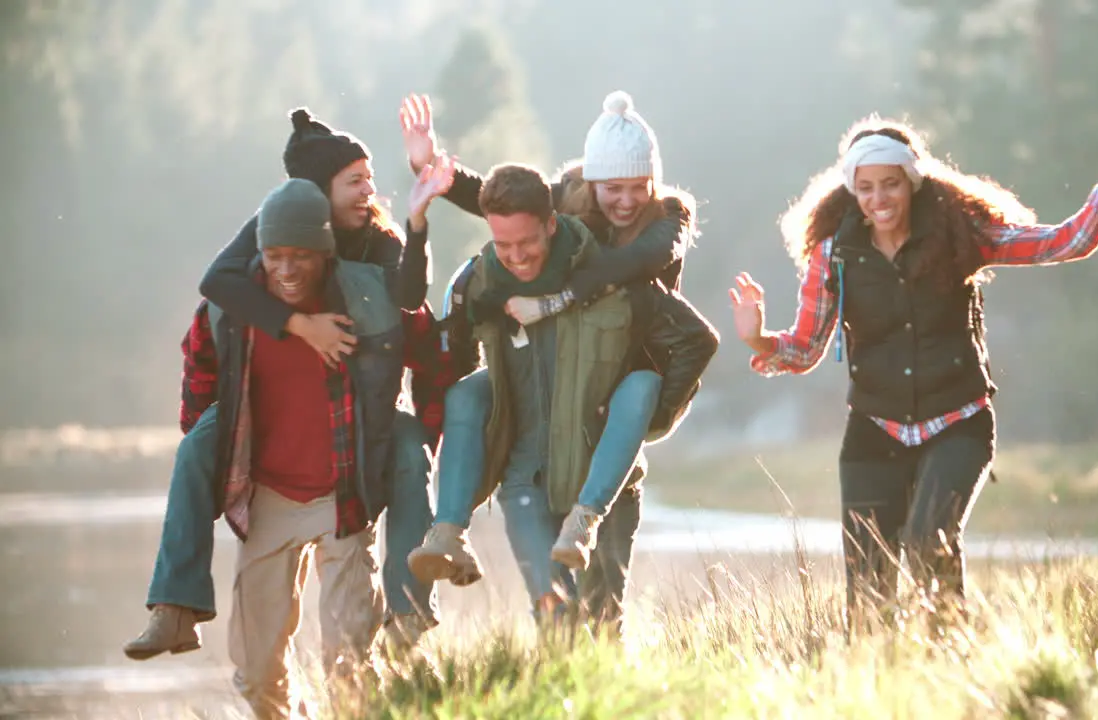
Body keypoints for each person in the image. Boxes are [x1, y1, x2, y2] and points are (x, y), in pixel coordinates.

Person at [728, 113, 1098, 621]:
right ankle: (880, 683)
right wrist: (757, 336)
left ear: (912, 182)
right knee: (869, 579)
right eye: (866, 188)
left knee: (927, 543)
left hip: (957, 421)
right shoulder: (835, 256)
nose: (879, 199)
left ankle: (951, 658)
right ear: (853, 190)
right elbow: (805, 349)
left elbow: (1060, 242)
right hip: (875, 428)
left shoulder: (958, 235)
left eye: (891, 185)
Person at [122, 117, 458, 664]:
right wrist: (301, 327)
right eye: (354, 179)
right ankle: (174, 605)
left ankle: (408, 609)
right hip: (276, 464)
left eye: (368, 176)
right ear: (316, 193)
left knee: (408, 448)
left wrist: (418, 222)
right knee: (196, 447)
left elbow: (411, 296)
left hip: (361, 426)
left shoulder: (376, 239)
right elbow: (217, 285)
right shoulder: (276, 226)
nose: (369, 189)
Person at [407, 162, 718, 630]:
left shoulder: (615, 283)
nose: (516, 255)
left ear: (552, 222)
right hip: (525, 482)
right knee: (553, 619)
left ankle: (609, 700)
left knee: (603, 622)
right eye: (503, 244)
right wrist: (489, 420)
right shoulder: (482, 283)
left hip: (604, 483)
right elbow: (448, 355)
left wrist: (652, 421)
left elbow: (698, 340)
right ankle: (448, 531)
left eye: (527, 241)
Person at [163, 178, 430, 717]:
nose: (285, 269)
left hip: (343, 498)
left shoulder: (368, 296)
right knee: (257, 676)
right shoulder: (230, 308)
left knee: (349, 664)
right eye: (273, 255)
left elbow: (430, 348)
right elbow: (199, 385)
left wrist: (425, 428)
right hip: (268, 501)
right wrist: (217, 468)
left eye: (300, 256)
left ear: (325, 253)